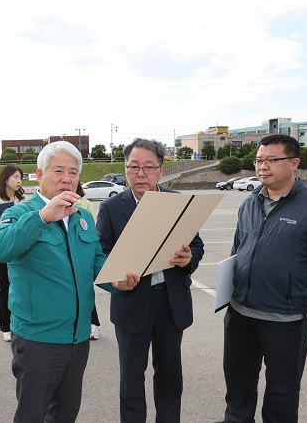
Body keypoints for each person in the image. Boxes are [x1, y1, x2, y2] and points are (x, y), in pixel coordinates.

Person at [220, 134, 307, 423]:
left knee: (282, 398)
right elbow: (238, 249)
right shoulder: (250, 202)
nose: (262, 166)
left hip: (285, 319)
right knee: (237, 392)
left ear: (294, 163)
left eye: (272, 160)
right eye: (259, 160)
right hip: (240, 316)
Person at [0, 141, 108, 423]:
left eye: (73, 172)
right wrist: (43, 217)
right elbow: (0, 248)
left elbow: (97, 264)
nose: (67, 178)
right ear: (39, 175)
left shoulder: (84, 217)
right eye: (59, 171)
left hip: (78, 338)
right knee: (32, 415)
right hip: (37, 339)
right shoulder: (19, 213)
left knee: (66, 414)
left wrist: (122, 280)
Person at [96, 138, 204, 423]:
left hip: (171, 302)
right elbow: (100, 253)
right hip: (132, 302)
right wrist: (115, 277)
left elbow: (197, 245)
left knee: (170, 378)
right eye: (134, 167)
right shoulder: (111, 208)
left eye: (147, 167)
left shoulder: (178, 202)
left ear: (160, 169)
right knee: (131, 380)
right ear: (125, 169)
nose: (140, 173)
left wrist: (188, 257)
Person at [0, 164, 27, 342]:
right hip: (5, 249)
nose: (19, 181)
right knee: (5, 287)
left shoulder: (24, 200)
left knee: (23, 286)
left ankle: (22, 322)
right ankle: (5, 326)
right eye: (16, 177)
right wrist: (8, 225)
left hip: (23, 250)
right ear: (6, 178)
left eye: (20, 178)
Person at [75, 182, 100, 340]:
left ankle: (93, 324)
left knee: (86, 292)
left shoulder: (85, 204)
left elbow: (90, 227)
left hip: (82, 253)